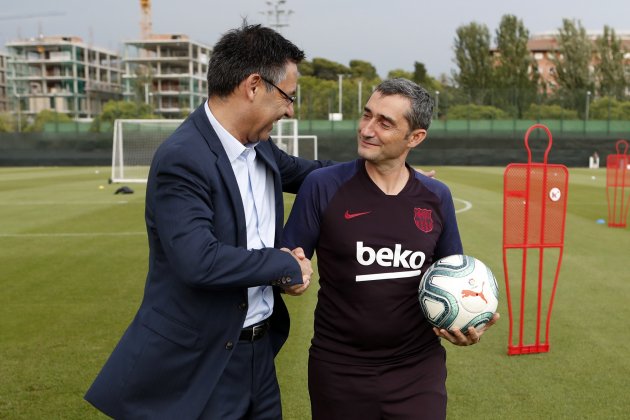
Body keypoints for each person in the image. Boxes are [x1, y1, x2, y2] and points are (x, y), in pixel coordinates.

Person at [84, 23, 333, 419]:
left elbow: (317, 174)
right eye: (288, 96)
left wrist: (385, 173)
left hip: (260, 356)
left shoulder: (261, 148)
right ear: (253, 86)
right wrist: (285, 266)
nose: (290, 109)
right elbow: (199, 260)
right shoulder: (183, 157)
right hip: (205, 365)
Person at [282, 78, 499, 420]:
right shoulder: (322, 186)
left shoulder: (436, 197)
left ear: (415, 137)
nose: (367, 129)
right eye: (367, 115)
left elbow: (454, 277)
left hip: (417, 371)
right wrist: (290, 277)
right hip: (339, 370)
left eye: (385, 123)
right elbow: (286, 264)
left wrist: (466, 321)